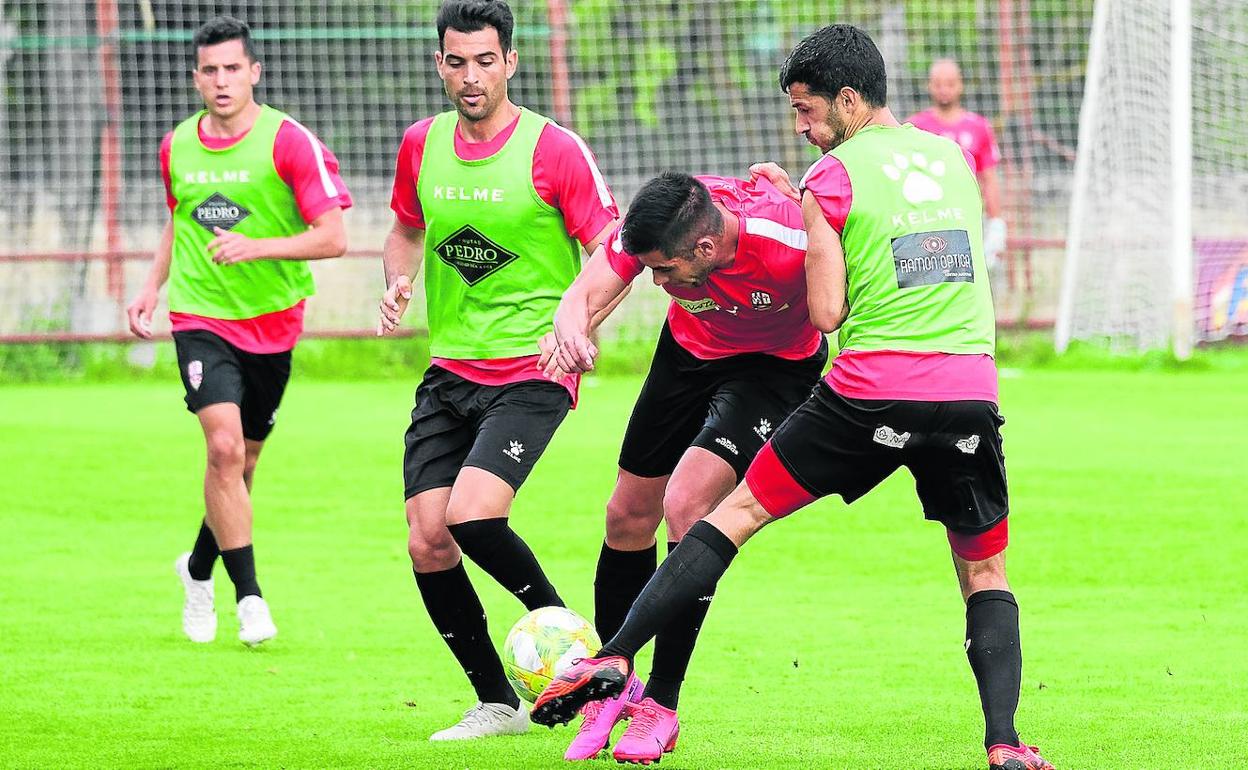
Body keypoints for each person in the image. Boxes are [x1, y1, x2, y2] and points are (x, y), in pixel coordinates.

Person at [532, 24, 1054, 770]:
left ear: (847, 100)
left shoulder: (826, 184)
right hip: (964, 387)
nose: (802, 129)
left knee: (717, 511)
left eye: (807, 112)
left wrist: (813, 216)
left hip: (836, 383)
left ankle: (629, 673)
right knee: (983, 571)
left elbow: (827, 315)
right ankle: (1004, 743)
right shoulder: (953, 158)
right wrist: (570, 323)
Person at [377, 0, 619, 741]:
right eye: (457, 61)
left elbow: (615, 248)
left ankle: (586, 662)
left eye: (486, 60)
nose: (471, 76)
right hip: (450, 369)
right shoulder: (422, 145)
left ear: (511, 62)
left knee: (472, 513)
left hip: (532, 369)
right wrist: (397, 279)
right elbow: (405, 229)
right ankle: (498, 702)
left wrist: (576, 322)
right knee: (427, 537)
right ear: (440, 63)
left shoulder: (554, 150)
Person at [539, 171, 826, 762]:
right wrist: (570, 326)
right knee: (626, 514)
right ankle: (612, 690)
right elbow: (589, 288)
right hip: (689, 353)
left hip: (773, 371)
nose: (657, 280)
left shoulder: (789, 238)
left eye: (664, 271)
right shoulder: (662, 224)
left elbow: (855, 281)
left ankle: (660, 706)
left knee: (688, 504)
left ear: (706, 247)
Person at [126, 16, 350, 647]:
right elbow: (179, 221)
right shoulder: (177, 145)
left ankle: (198, 567)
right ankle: (249, 597)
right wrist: (151, 286)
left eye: (232, 69)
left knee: (243, 465)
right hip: (199, 316)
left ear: (254, 72)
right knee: (222, 449)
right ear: (195, 77)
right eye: (209, 70)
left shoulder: (288, 142)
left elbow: (332, 237)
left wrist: (257, 248)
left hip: (274, 324)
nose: (221, 81)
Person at [907, 59, 1007, 275]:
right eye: (938, 83)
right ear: (930, 86)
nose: (944, 90)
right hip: (929, 218)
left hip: (968, 217)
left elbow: (989, 178)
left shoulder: (979, 126)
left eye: (950, 83)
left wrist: (996, 222)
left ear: (960, 85)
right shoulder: (915, 127)